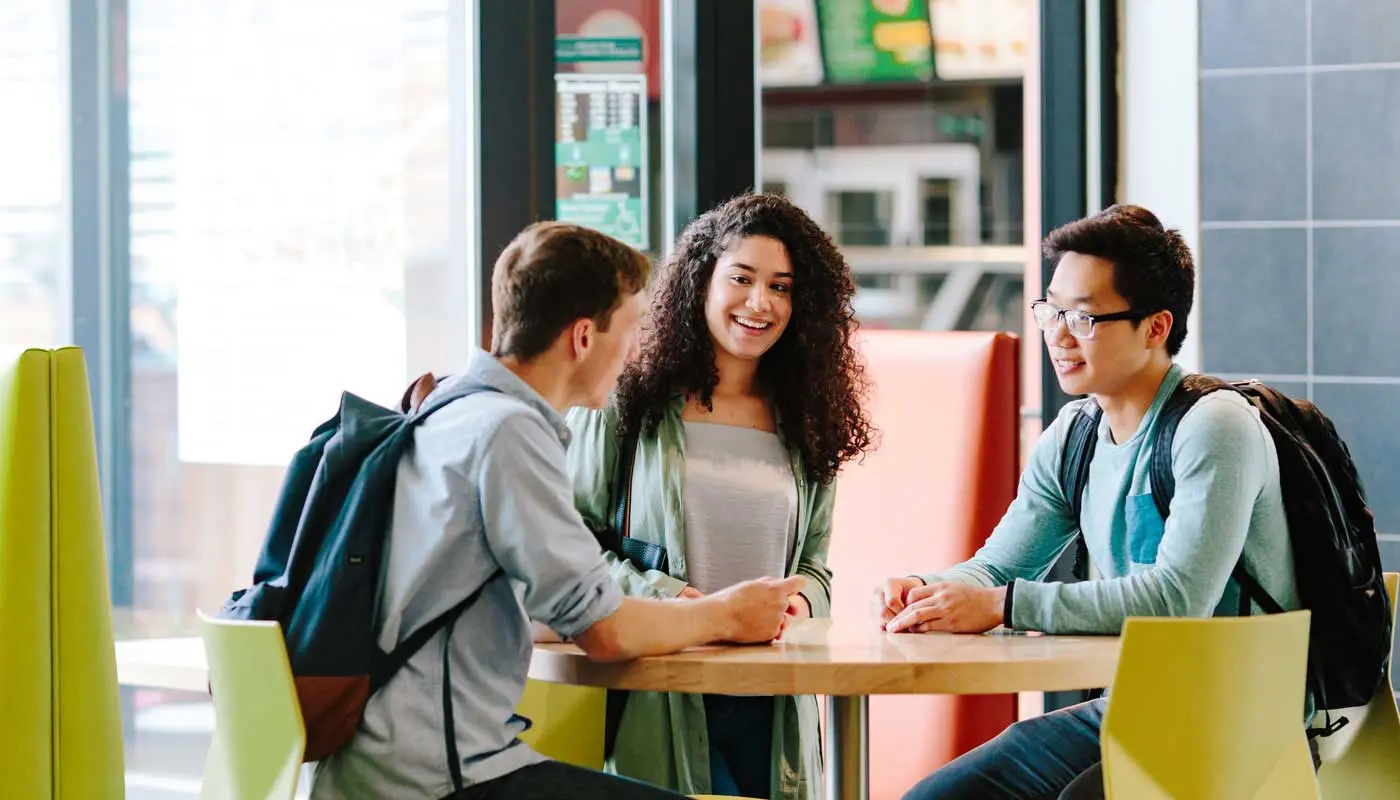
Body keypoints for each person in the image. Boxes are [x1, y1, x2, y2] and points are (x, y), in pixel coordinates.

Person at [309, 221, 806, 800]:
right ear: (583, 338)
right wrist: (725, 615)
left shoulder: (448, 409)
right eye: (633, 329)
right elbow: (605, 631)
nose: (637, 350)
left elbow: (528, 603)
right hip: (436, 777)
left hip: (376, 765)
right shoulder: (509, 434)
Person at [875, 205, 1299, 800]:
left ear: (1156, 327)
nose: (1058, 334)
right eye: (1051, 309)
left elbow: (1177, 600)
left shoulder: (1214, 426)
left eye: (1085, 317)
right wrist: (929, 592)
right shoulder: (1074, 433)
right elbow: (998, 569)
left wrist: (1002, 605)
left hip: (1242, 719)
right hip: (1134, 707)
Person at [566, 193, 876, 800]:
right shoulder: (625, 404)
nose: (761, 303)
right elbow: (569, 542)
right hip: (658, 688)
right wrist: (674, 600)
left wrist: (799, 604)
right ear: (699, 282)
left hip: (773, 698)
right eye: (742, 278)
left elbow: (815, 565)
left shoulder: (808, 418)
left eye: (782, 287)